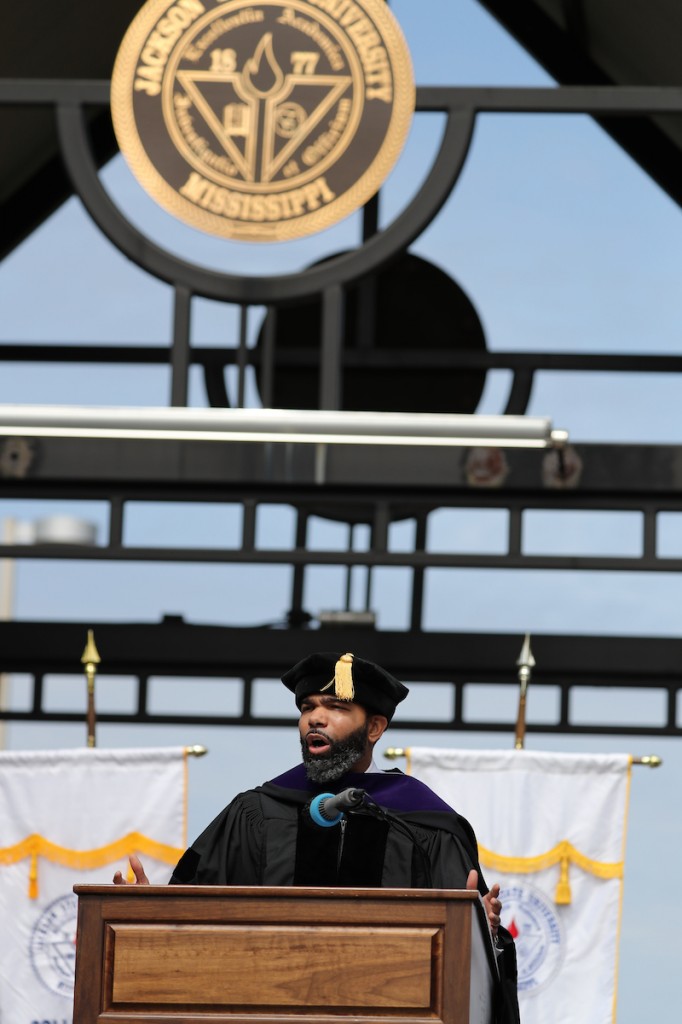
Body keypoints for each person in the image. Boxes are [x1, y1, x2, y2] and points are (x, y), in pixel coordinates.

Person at [114, 651, 519, 1023]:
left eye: (336, 707)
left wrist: (483, 935)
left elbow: (461, 957)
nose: (315, 718)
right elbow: (198, 916)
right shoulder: (257, 811)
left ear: (375, 726)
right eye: (307, 707)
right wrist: (151, 914)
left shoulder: (423, 823)